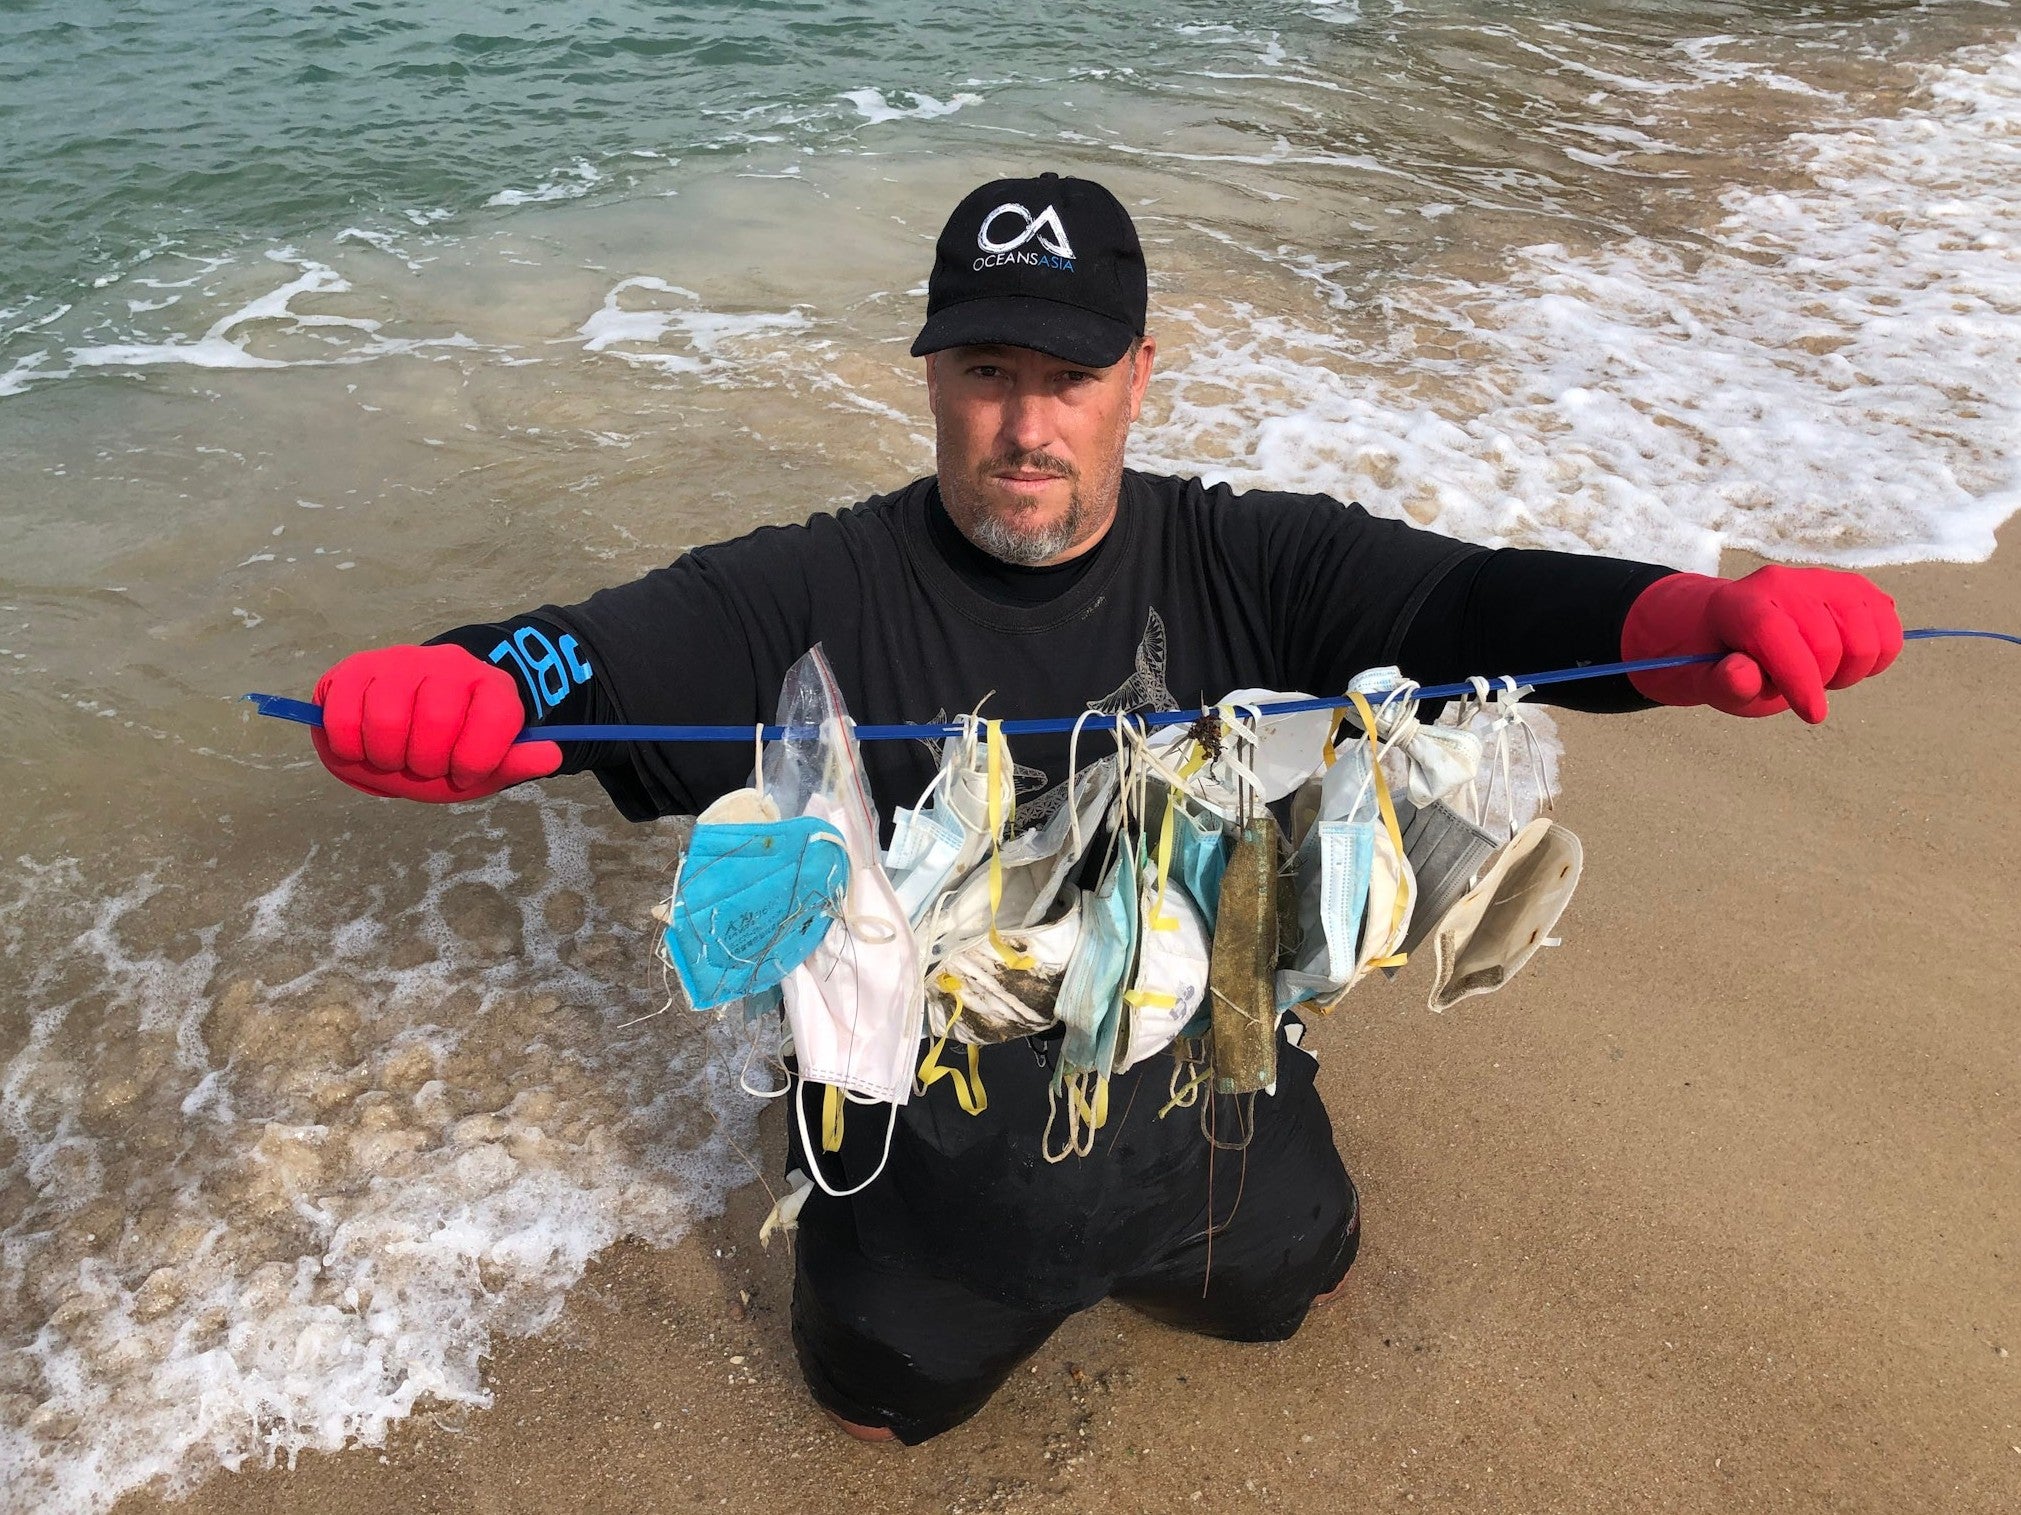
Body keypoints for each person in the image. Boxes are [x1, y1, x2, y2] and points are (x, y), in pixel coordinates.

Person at [309, 172, 1903, 1444]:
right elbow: (596, 657)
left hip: (1222, 1125)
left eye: (1069, 377)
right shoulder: (809, 588)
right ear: (929, 376)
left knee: (1302, 1289)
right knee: (878, 1406)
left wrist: (1693, 626)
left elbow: (1480, 605)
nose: (1026, 426)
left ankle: (1247, 1240)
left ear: (1139, 377)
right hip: (929, 1187)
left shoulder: (1250, 558)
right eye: (987, 372)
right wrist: (476, 688)